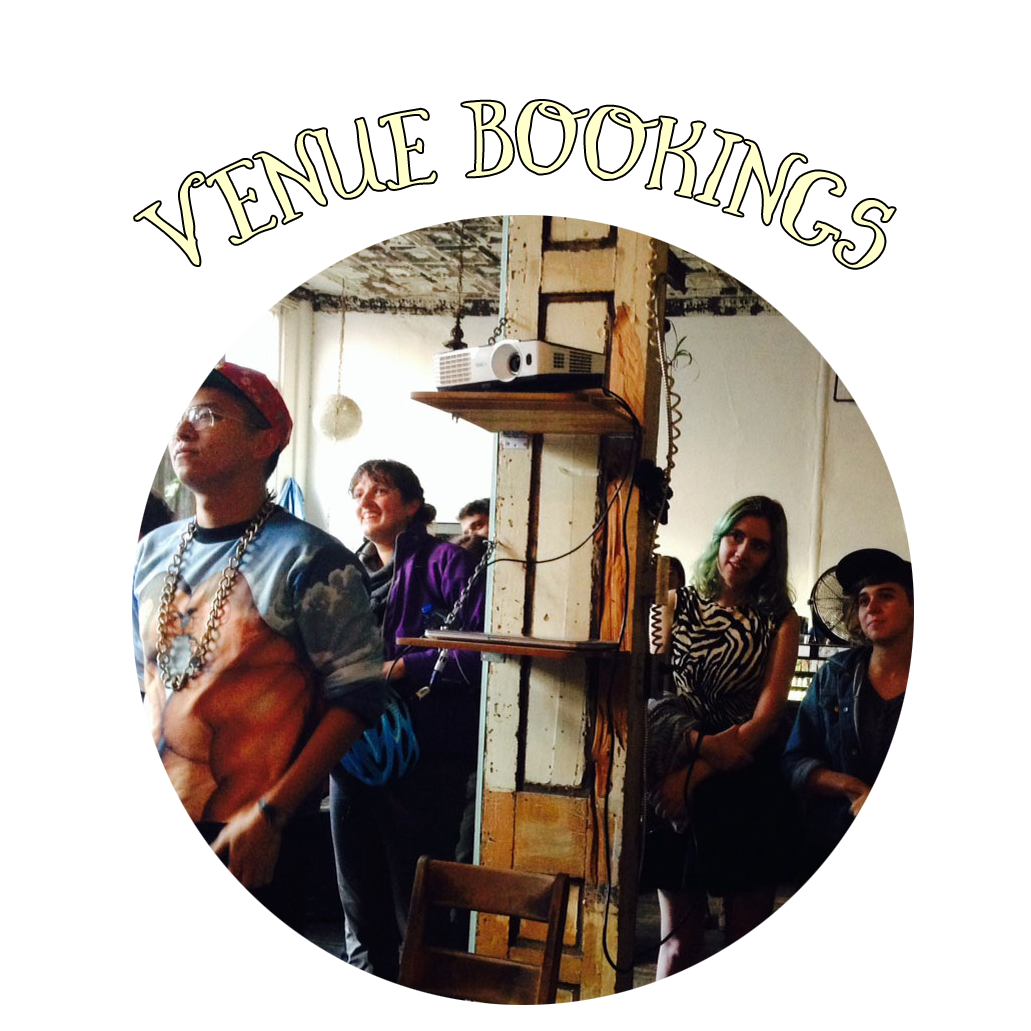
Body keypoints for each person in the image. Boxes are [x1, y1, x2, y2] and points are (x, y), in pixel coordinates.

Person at [133, 361, 385, 929]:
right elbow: (142, 681)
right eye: (178, 415)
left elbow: (358, 698)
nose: (182, 430)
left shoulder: (309, 558)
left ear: (263, 441)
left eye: (207, 414)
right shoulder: (151, 552)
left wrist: (274, 814)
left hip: (248, 829)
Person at [330, 459, 486, 981]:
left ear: (413, 504)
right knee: (358, 903)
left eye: (380, 489)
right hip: (352, 752)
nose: (365, 499)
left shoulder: (446, 563)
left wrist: (401, 668)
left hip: (426, 758)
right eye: (358, 491)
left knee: (417, 907)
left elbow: (481, 652)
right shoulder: (347, 573)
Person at [645, 496, 800, 977]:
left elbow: (768, 717)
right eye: (736, 536)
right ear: (720, 538)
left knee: (745, 942)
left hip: (745, 775)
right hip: (679, 758)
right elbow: (654, 695)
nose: (743, 552)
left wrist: (695, 776)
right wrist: (691, 759)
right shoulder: (676, 603)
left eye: (760, 545)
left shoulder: (781, 619)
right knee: (678, 945)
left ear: (772, 557)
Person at [782, 548, 913, 880]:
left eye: (886, 596)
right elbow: (795, 761)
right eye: (864, 600)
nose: (872, 607)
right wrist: (853, 788)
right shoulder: (834, 676)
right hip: (833, 847)